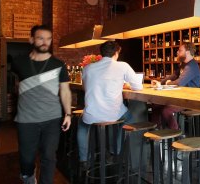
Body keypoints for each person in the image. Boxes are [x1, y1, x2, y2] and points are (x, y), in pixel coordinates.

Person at [11, 25, 72, 184]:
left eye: (48, 38)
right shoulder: (19, 63)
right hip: (26, 119)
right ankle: (29, 177)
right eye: (40, 38)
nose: (45, 42)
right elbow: (17, 86)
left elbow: (65, 90)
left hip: (52, 118)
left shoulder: (59, 64)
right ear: (31, 39)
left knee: (49, 157)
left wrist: (68, 114)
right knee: (26, 158)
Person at [77, 41, 143, 166]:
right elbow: (138, 86)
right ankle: (114, 152)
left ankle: (84, 160)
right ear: (116, 53)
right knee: (130, 117)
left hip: (92, 115)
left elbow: (86, 87)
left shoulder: (87, 68)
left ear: (101, 53)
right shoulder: (122, 66)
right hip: (113, 114)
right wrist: (127, 85)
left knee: (83, 125)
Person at [150, 42, 200, 129]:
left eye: (180, 50)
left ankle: (176, 134)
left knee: (166, 110)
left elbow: (179, 83)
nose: (177, 52)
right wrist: (159, 82)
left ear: (187, 52)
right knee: (155, 105)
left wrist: (167, 83)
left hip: (190, 99)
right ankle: (157, 133)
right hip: (180, 97)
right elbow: (173, 76)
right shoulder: (183, 64)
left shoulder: (191, 66)